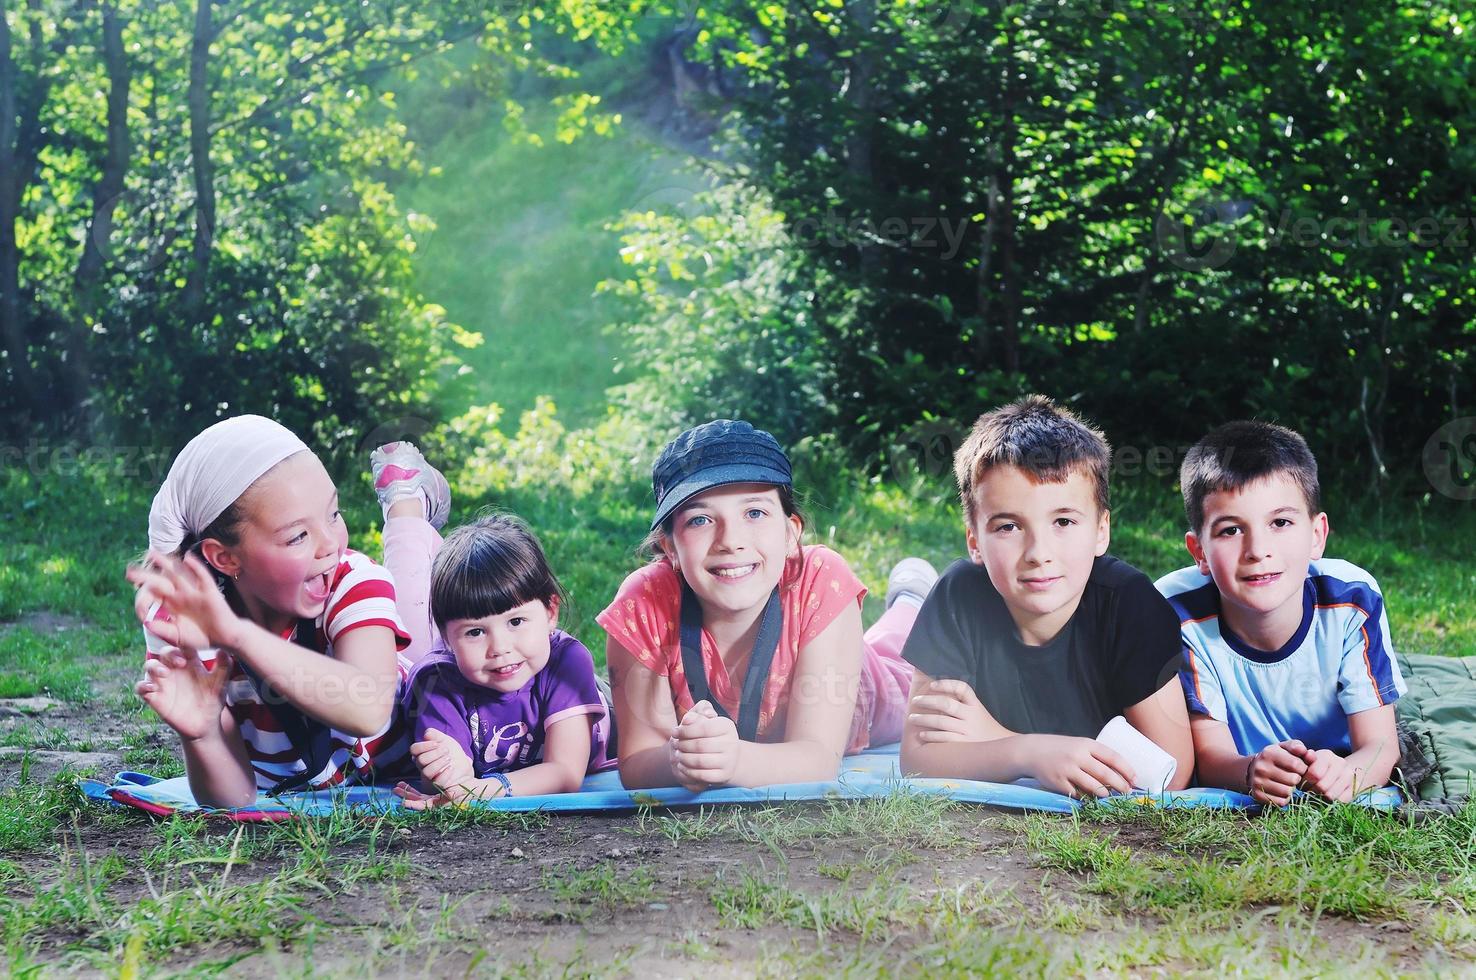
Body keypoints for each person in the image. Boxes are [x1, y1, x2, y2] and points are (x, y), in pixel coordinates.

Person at [598, 419, 936, 791]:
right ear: (670, 547)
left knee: (902, 662)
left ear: (791, 533)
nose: (731, 541)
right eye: (700, 519)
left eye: (754, 513)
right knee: (884, 640)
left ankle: (912, 599)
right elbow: (635, 763)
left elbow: (818, 759)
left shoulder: (818, 577)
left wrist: (735, 761)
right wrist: (680, 760)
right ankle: (908, 601)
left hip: (863, 689)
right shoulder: (643, 603)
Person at [899, 395, 1194, 797]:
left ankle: (906, 602)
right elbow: (918, 761)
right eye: (1008, 527)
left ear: (1101, 531)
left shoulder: (1128, 603)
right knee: (886, 661)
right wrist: (1029, 753)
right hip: (918, 636)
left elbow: (1173, 774)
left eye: (1064, 521)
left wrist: (994, 739)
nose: (1039, 554)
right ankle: (907, 601)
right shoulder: (959, 595)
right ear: (975, 541)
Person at [129, 416, 411, 809]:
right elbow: (236, 797)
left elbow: (369, 707)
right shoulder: (185, 630)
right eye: (297, 535)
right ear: (224, 557)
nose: (330, 543)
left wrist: (236, 635)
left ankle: (405, 507)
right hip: (309, 778)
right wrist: (204, 735)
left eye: (334, 513)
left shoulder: (353, 578)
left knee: (426, 603)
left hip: (409, 705)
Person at [1156, 421, 1405, 806]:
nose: (1257, 549)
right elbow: (1208, 757)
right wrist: (1251, 771)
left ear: (1317, 535)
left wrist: (1349, 774)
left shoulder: (1352, 598)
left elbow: (1380, 747)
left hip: (1336, 754)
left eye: (1281, 522)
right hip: (1249, 760)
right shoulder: (1178, 611)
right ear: (1199, 551)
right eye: (1230, 530)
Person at [370, 442, 614, 809]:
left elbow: (565, 771)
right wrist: (445, 774)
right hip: (451, 662)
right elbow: (448, 780)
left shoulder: (566, 662)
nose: (499, 646)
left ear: (550, 612)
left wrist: (482, 789)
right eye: (475, 631)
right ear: (446, 637)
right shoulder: (436, 679)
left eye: (516, 621)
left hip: (593, 696)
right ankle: (405, 500)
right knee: (409, 617)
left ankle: (406, 501)